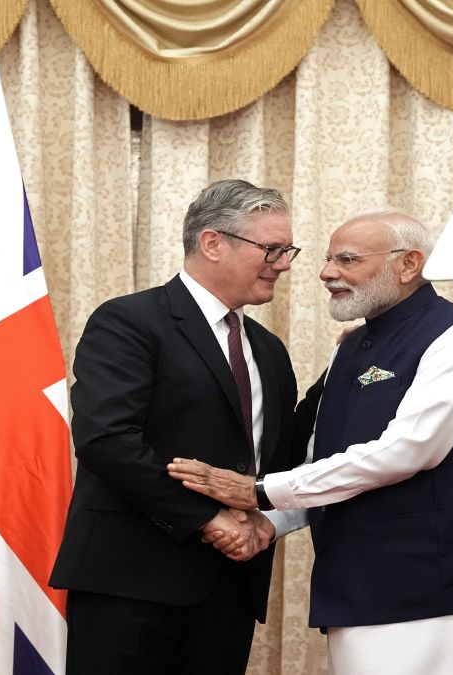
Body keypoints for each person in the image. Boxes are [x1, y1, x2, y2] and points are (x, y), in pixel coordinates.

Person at [168, 209, 453, 674]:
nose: (326, 273)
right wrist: (272, 521)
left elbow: (408, 451)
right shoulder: (351, 345)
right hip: (358, 586)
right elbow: (325, 459)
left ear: (408, 264)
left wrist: (258, 492)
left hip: (445, 588)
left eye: (347, 259)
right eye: (327, 259)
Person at [49, 179, 305, 675]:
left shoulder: (268, 350)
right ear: (212, 243)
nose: (285, 263)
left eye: (287, 249)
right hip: (131, 584)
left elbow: (282, 460)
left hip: (229, 587)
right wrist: (207, 518)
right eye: (271, 249)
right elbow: (106, 440)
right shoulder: (128, 321)